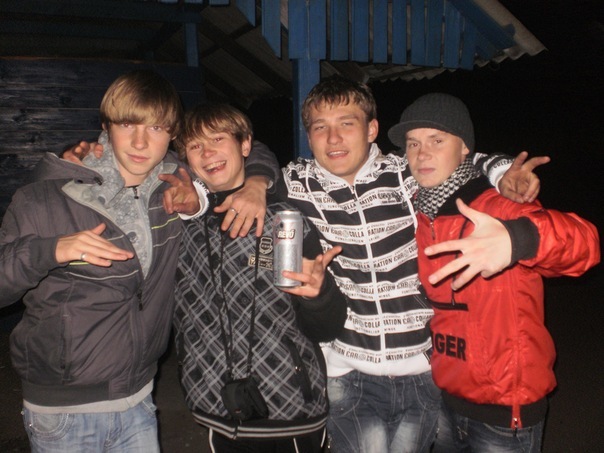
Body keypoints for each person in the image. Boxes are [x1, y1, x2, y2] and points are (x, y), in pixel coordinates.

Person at [0, 70, 278, 453]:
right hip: (64, 410)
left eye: (156, 128)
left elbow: (246, 147)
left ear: (171, 136)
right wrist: (51, 250)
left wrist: (257, 182)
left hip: (140, 399)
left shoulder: (174, 186)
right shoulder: (45, 198)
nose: (140, 142)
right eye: (127, 124)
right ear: (106, 127)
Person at [276, 75, 549, 453]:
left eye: (347, 123)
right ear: (309, 137)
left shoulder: (406, 174)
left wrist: (503, 173)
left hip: (423, 370)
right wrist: (251, 186)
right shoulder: (295, 183)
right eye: (320, 127)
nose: (333, 138)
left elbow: (464, 158)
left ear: (372, 129)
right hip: (349, 372)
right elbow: (245, 169)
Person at [387, 92, 600, 452]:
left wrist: (517, 239)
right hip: (445, 400)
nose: (422, 154)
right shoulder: (420, 216)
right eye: (413, 143)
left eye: (437, 141)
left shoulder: (498, 208)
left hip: (504, 414)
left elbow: (585, 246)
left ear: (465, 149)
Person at [170, 103, 347, 452]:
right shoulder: (183, 225)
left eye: (218, 139)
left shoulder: (282, 222)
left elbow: (324, 328)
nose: (207, 153)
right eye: (195, 145)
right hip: (215, 407)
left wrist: (320, 295)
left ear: (245, 145)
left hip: (289, 409)